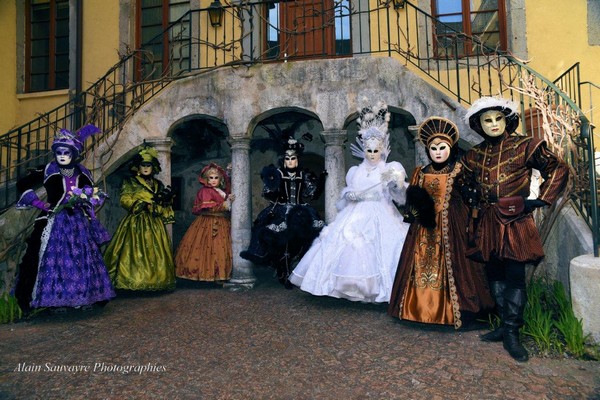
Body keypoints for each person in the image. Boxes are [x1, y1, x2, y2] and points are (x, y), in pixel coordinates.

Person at [461, 96, 569, 362]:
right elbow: (464, 180)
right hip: (487, 220)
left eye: (498, 118)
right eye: (487, 120)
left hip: (514, 220)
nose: (494, 124)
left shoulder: (524, 146)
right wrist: (471, 195)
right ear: (479, 125)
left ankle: (512, 333)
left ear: (506, 120)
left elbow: (557, 167)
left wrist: (540, 199)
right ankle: (502, 325)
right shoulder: (475, 154)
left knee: (515, 275)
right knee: (494, 271)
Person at [289, 101, 409, 303]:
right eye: (369, 150)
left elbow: (400, 198)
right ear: (364, 149)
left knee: (380, 249)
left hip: (382, 213)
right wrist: (350, 195)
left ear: (382, 150)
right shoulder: (355, 171)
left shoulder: (391, 168)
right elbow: (348, 194)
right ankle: (343, 288)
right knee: (346, 247)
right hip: (356, 214)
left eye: (376, 151)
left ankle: (382, 290)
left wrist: (395, 183)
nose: (372, 154)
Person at [387, 116, 494, 328]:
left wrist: (471, 214)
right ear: (428, 150)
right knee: (419, 264)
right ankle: (416, 309)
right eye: (433, 148)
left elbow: (470, 197)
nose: (437, 152)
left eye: (442, 147)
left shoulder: (459, 170)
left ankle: (453, 311)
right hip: (423, 229)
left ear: (450, 148)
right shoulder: (420, 172)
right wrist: (413, 211)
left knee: (458, 268)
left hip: (451, 228)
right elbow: (413, 199)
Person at [14, 125, 115, 311]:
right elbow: (22, 184)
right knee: (52, 261)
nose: (61, 156)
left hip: (78, 223)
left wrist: (87, 200)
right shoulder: (47, 169)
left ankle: (83, 297)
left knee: (81, 259)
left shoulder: (83, 172)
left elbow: (91, 193)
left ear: (73, 154)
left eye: (66, 152)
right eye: (58, 152)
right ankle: (55, 299)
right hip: (53, 220)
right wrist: (38, 203)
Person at [240, 138, 326, 288]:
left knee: (308, 238)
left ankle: (299, 271)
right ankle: (283, 271)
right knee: (280, 240)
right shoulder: (277, 173)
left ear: (297, 159)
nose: (290, 161)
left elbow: (311, 194)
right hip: (281, 211)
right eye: (288, 158)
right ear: (284, 160)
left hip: (301, 211)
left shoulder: (302, 174)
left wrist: (322, 181)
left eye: (293, 158)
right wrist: (273, 185)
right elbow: (267, 192)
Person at [104, 145, 176, 291]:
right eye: (143, 165)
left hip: (154, 224)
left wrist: (163, 203)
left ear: (153, 167)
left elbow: (162, 203)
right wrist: (141, 204)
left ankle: (157, 281)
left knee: (157, 252)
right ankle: (132, 281)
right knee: (133, 253)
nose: (145, 168)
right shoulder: (130, 182)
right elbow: (124, 199)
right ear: (137, 166)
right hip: (135, 222)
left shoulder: (158, 184)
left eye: (148, 165)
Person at [175, 163, 234, 282]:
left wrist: (229, 173)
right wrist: (226, 203)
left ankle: (219, 275)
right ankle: (206, 275)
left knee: (220, 250)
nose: (213, 180)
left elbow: (228, 189)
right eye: (210, 178)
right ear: (206, 179)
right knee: (208, 249)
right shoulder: (205, 191)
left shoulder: (219, 190)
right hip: (208, 223)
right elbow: (210, 208)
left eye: (216, 178)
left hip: (222, 222)